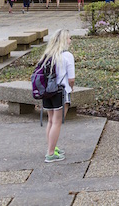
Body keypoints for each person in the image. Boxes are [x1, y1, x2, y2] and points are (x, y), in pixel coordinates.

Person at [37, 29, 75, 163]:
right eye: (69, 38)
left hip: (47, 91)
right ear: (64, 40)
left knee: (51, 121)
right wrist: (72, 88)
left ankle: (51, 147)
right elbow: (71, 78)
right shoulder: (67, 56)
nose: (70, 41)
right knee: (57, 122)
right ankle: (51, 153)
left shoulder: (47, 54)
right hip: (61, 91)